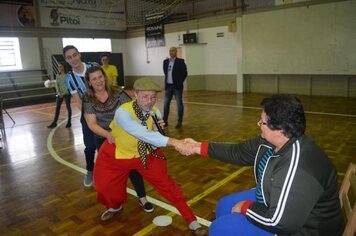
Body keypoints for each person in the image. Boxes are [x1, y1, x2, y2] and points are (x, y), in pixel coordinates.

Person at [178, 95, 344, 236]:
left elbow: (280, 222)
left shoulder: (297, 166)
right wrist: (196, 147)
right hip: (278, 202)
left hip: (302, 229)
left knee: (220, 228)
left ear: (279, 129)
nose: (258, 124)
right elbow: (238, 152)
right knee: (224, 205)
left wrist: (246, 207)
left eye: (262, 122)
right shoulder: (274, 142)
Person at [93, 78, 207, 236]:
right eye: (145, 96)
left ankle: (192, 221)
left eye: (153, 97)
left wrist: (156, 131)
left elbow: (153, 143)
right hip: (117, 154)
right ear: (135, 95)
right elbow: (139, 132)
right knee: (104, 187)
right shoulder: (123, 112)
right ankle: (115, 206)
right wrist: (174, 142)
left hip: (145, 155)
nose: (149, 101)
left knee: (168, 187)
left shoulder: (156, 113)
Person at [82, 66, 153, 212]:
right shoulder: (88, 98)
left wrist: (149, 122)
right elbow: (91, 124)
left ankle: (142, 197)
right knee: (110, 174)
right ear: (89, 82)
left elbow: (134, 109)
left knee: (133, 166)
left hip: (124, 135)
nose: (98, 81)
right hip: (102, 137)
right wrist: (108, 135)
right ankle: (114, 203)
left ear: (105, 77)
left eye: (100, 77)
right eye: (94, 79)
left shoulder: (118, 93)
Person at [64, 45, 98, 188]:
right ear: (66, 60)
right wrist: (89, 115)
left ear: (79, 55)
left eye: (75, 55)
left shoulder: (93, 67)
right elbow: (77, 101)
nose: (73, 59)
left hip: (105, 113)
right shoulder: (69, 78)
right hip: (87, 115)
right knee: (90, 147)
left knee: (105, 146)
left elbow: (107, 86)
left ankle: (107, 171)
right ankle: (90, 170)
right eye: (69, 57)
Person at [163, 46, 187, 128]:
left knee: (179, 104)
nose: (171, 52)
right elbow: (165, 72)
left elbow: (185, 73)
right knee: (166, 104)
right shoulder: (165, 62)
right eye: (170, 51)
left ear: (176, 52)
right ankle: (165, 121)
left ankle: (179, 121)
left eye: (173, 51)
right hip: (168, 86)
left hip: (177, 86)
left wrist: (179, 81)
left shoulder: (180, 61)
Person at [47, 62, 72, 128]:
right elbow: (57, 85)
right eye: (58, 67)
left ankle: (69, 122)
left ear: (64, 67)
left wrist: (64, 93)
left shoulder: (68, 75)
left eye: (60, 66)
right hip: (59, 94)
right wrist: (59, 93)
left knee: (68, 107)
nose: (59, 68)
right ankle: (54, 122)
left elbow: (68, 85)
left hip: (67, 94)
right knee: (57, 108)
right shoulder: (57, 75)